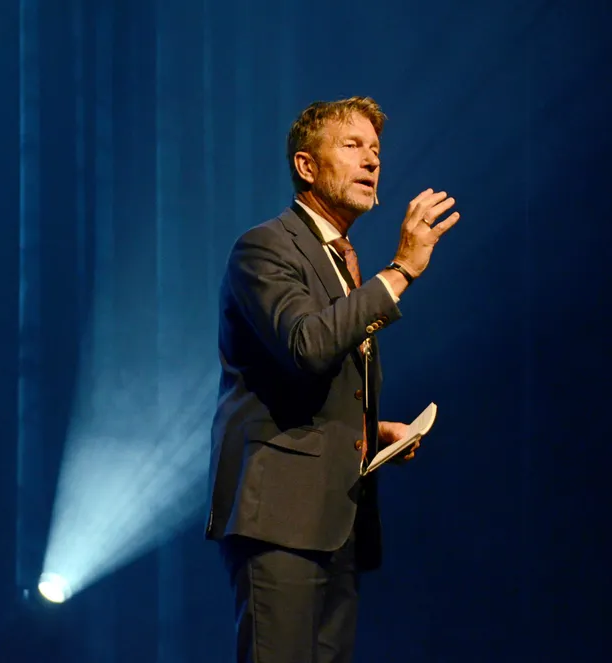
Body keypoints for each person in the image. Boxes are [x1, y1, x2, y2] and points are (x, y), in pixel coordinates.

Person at [205, 96, 460, 663]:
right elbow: (306, 346)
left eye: (376, 151)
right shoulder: (265, 247)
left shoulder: (340, 259)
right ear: (306, 166)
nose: (371, 161)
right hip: (281, 516)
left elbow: (315, 385)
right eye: (352, 146)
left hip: (337, 517)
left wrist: (371, 430)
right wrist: (401, 270)